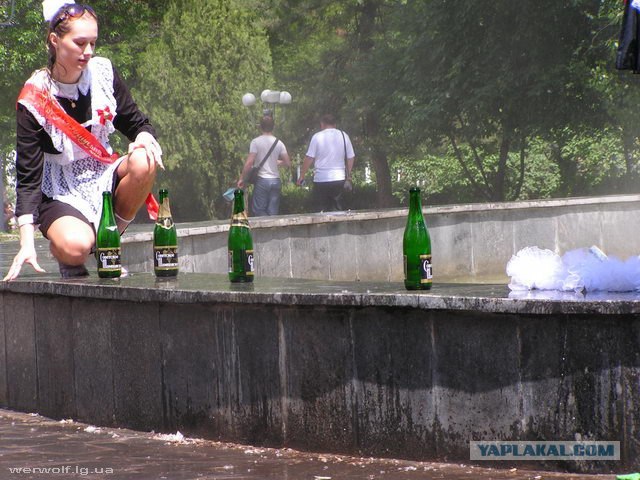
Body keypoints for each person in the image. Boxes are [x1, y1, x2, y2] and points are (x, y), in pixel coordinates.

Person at [3, 1, 162, 281]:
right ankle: (66, 252)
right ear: (54, 40)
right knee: (76, 247)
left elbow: (136, 123)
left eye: (93, 43)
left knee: (144, 160)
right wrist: (26, 242)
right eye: (79, 43)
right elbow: (27, 178)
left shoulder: (103, 73)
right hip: (60, 189)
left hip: (103, 174)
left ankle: (106, 245)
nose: (87, 52)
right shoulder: (34, 97)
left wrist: (144, 138)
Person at [296, 114, 355, 212]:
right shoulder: (344, 136)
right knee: (337, 210)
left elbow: (309, 158)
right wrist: (348, 175)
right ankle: (337, 227)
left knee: (320, 210)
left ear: (322, 124)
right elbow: (351, 157)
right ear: (335, 124)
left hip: (321, 179)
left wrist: (302, 176)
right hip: (339, 178)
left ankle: (322, 227)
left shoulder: (317, 137)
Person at [237, 116, 291, 216]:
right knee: (273, 212)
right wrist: (276, 162)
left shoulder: (256, 142)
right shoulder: (279, 143)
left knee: (259, 210)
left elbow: (249, 163)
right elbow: (287, 163)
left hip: (262, 180)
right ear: (273, 127)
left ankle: (265, 230)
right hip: (276, 180)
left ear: (260, 127)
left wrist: (242, 178)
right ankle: (273, 230)